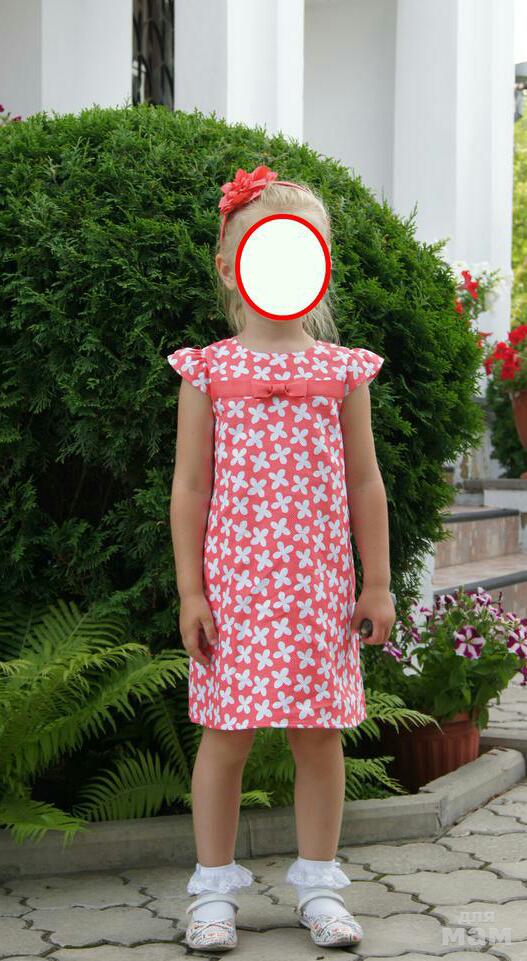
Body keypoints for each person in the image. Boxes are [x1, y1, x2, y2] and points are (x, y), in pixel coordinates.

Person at [167, 165, 396, 951]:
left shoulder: (340, 371)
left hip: (317, 591)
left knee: (318, 736)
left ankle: (320, 885)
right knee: (225, 737)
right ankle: (212, 891)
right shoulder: (209, 371)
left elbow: (364, 482)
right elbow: (190, 487)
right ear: (232, 265)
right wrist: (191, 592)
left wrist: (376, 582)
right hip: (235, 592)